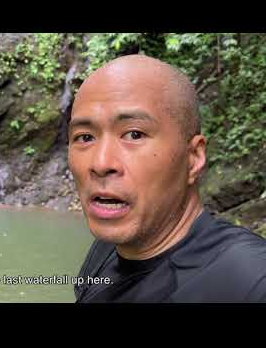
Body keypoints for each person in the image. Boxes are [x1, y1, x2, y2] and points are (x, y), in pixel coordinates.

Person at [68, 54, 266, 303]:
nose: (101, 163)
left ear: (193, 157)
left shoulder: (248, 279)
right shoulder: (106, 250)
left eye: (134, 134)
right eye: (85, 137)